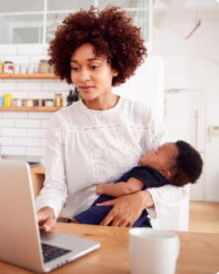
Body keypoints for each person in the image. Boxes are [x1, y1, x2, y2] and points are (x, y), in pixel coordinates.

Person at [36, 6, 188, 232]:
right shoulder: (62, 123)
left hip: (132, 229)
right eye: (75, 68)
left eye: (94, 66)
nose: (82, 76)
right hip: (80, 226)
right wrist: (47, 210)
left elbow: (179, 185)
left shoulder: (142, 117)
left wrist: (141, 199)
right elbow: (55, 187)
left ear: (115, 67)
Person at [74, 140, 203, 226]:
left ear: (165, 172)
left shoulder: (146, 172)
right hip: (135, 219)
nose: (152, 150)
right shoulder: (161, 182)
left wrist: (102, 188)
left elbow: (129, 189)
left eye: (157, 152)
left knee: (78, 223)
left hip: (110, 209)